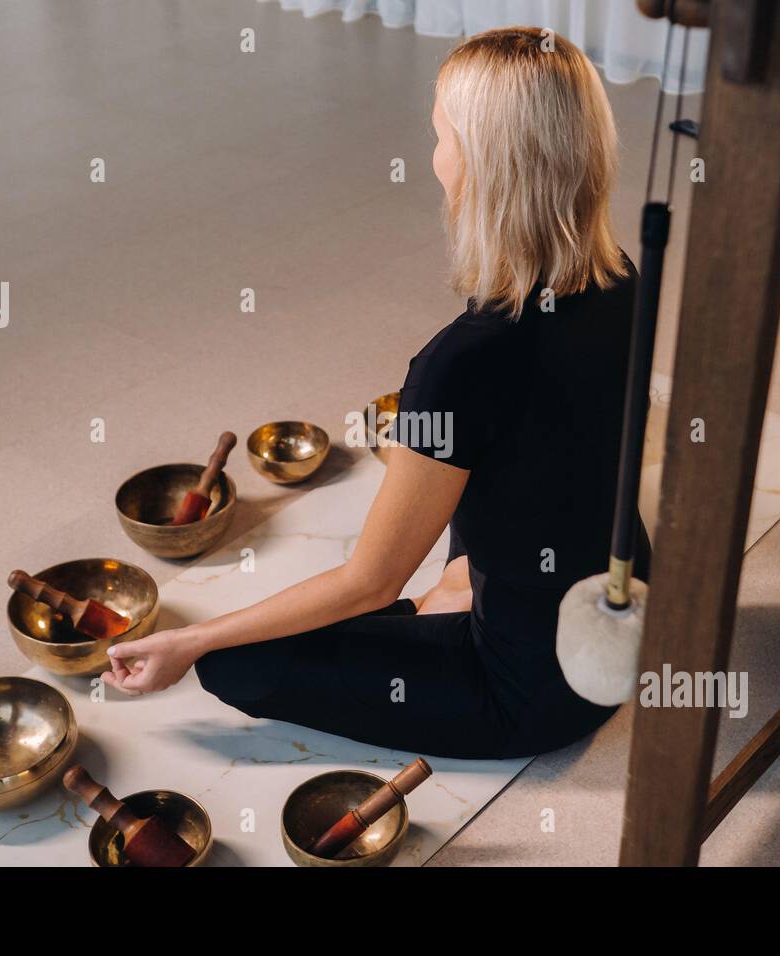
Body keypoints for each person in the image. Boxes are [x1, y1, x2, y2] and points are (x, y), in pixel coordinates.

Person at [103, 26, 650, 759]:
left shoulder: (454, 367)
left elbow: (369, 581)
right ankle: (458, 590)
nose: (435, 157)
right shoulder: (621, 277)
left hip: (532, 694)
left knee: (238, 665)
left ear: (484, 165)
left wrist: (193, 638)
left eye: (441, 135)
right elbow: (565, 450)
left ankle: (445, 610)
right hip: (613, 601)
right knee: (492, 447)